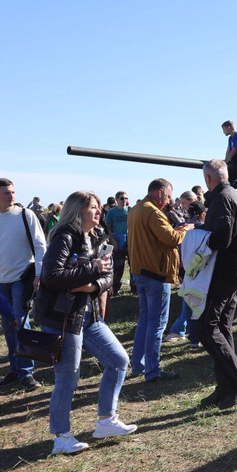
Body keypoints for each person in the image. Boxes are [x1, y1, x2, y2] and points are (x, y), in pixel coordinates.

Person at [34, 191, 137, 455]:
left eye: (99, 207)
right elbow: (52, 276)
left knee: (118, 360)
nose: (99, 211)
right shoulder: (65, 235)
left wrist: (92, 285)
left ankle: (105, 421)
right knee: (68, 377)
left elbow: (109, 276)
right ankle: (61, 436)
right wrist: (93, 271)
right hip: (63, 318)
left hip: (89, 314)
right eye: (93, 207)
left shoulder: (96, 236)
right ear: (78, 210)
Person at [198, 159, 237, 410]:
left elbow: (222, 236)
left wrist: (199, 241)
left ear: (209, 179)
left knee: (205, 326)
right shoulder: (236, 195)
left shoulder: (221, 198)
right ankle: (227, 386)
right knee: (222, 325)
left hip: (225, 269)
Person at [127, 179, 193, 382]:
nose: (170, 200)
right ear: (161, 193)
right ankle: (153, 371)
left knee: (145, 321)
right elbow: (171, 238)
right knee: (157, 325)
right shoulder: (153, 212)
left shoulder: (137, 209)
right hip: (156, 274)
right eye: (169, 195)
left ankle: (138, 365)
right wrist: (186, 229)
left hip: (142, 272)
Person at [0, 178, 46, 391]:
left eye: (13, 192)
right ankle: (15, 371)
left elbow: (41, 245)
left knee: (20, 324)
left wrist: (38, 274)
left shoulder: (26, 215)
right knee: (8, 327)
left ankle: (26, 373)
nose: (12, 196)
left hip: (20, 279)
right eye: (6, 193)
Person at [164, 201, 207, 347]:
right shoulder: (205, 231)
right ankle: (195, 336)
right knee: (199, 305)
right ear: (203, 214)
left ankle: (192, 336)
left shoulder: (182, 229)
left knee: (188, 302)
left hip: (187, 271)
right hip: (202, 271)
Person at [105, 191, 131, 295]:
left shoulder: (130, 210)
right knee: (118, 265)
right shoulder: (111, 212)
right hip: (118, 239)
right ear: (116, 200)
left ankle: (134, 285)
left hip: (129, 238)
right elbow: (108, 227)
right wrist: (112, 240)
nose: (124, 200)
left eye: (126, 198)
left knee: (132, 264)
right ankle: (115, 287)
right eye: (122, 198)